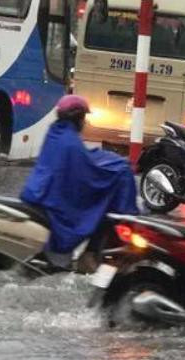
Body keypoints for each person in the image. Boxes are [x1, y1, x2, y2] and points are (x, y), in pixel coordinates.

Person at [20, 95, 136, 265]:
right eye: (84, 118)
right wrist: (117, 170)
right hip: (54, 203)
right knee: (95, 209)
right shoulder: (71, 143)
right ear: (78, 118)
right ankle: (88, 256)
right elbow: (88, 176)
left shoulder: (56, 132)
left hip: (37, 193)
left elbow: (80, 161)